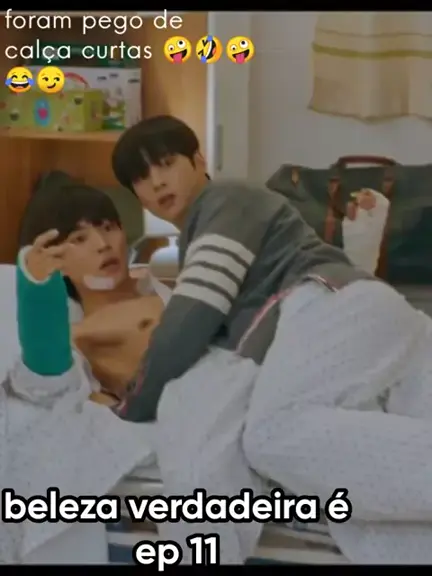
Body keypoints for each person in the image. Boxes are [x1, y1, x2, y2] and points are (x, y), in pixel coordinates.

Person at [110, 114, 373, 423]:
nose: (157, 182)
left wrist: (133, 406)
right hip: (345, 316)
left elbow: (191, 319)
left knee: (273, 432)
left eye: (167, 164)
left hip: (329, 306)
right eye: (142, 178)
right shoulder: (201, 230)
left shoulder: (227, 199)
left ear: (198, 161)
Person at [3, 182, 167, 563]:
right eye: (79, 238)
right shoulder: (79, 335)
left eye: (108, 227)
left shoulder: (168, 287)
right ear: (54, 261)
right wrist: (37, 287)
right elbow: (48, 375)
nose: (102, 244)